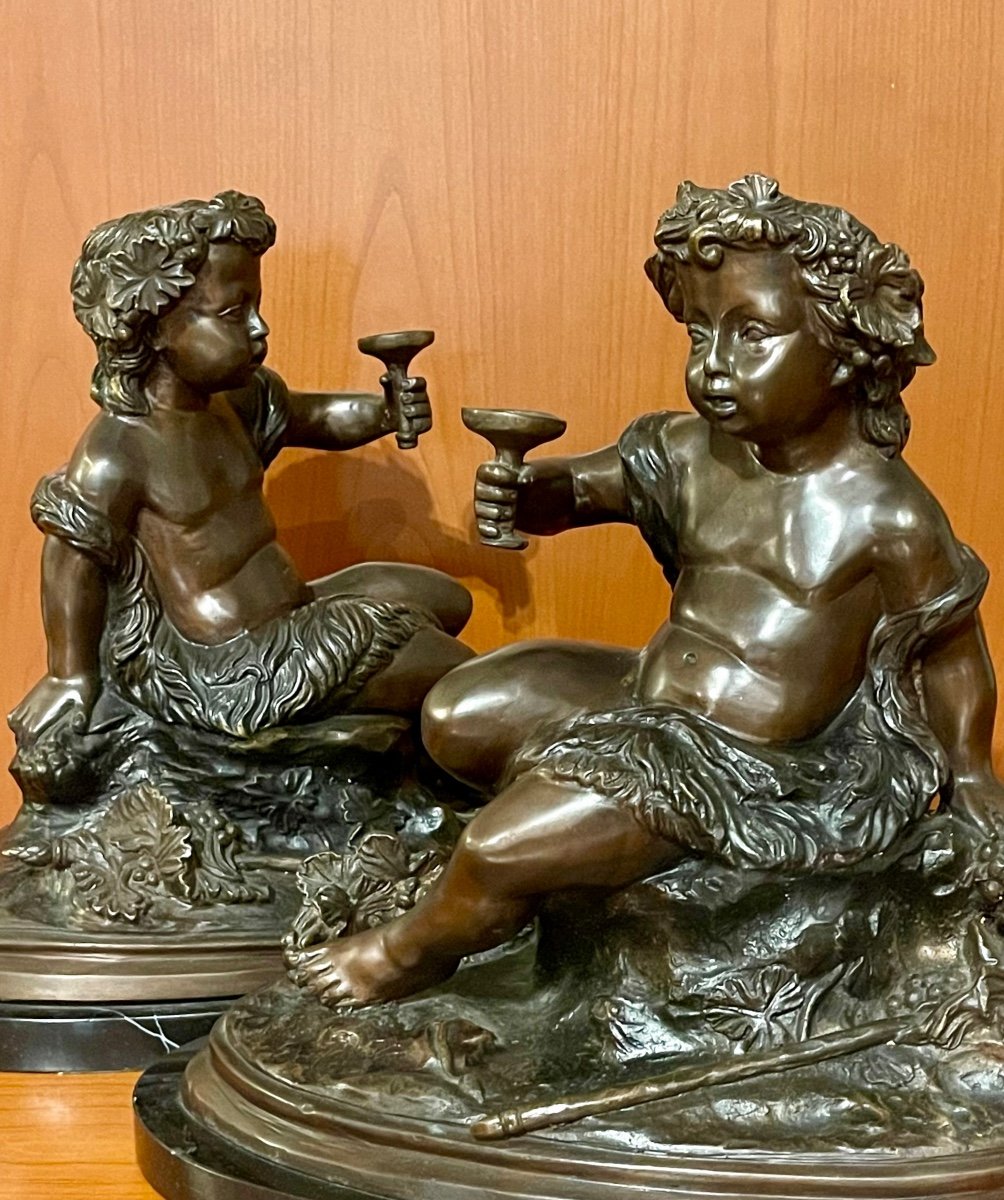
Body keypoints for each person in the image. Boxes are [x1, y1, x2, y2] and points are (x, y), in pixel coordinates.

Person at [288, 174, 1003, 1008]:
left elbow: (948, 651)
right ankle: (577, 836)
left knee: (494, 850)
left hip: (747, 765)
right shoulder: (691, 452)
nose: (714, 366)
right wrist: (528, 492)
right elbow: (582, 490)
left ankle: (411, 951)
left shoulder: (887, 513)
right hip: (646, 697)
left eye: (752, 335)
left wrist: (971, 774)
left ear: (844, 350)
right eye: (701, 333)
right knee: (456, 712)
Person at [9, 190, 472, 768]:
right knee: (456, 674)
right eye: (233, 314)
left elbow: (315, 417)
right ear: (154, 329)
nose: (259, 327)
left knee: (445, 599)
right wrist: (70, 675)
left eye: (257, 307)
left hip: (293, 610)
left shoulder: (234, 401)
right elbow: (69, 558)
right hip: (237, 666)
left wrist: (382, 412)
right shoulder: (119, 451)